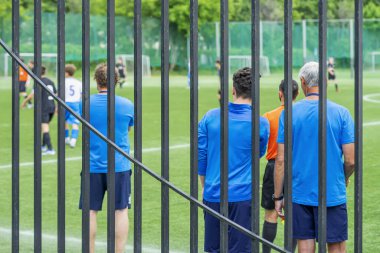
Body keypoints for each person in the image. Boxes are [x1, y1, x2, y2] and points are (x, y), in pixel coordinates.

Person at [274, 62, 355, 253]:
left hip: (299, 192)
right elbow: (351, 160)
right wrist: (343, 178)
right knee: (335, 246)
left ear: (302, 82)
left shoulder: (289, 114)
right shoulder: (342, 113)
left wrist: (278, 196)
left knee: (305, 245)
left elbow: (280, 160)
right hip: (331, 192)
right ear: (325, 81)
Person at [198, 67, 269, 253]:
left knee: (214, 249)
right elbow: (257, 153)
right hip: (243, 195)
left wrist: (205, 186)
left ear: (233, 90)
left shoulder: (210, 117)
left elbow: (201, 156)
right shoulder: (260, 123)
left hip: (213, 192)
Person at [79, 63, 134, 253]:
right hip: (119, 165)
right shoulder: (127, 104)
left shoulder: (85, 104)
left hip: (92, 165)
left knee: (90, 211)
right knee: (121, 211)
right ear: (116, 81)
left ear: (96, 80)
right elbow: (127, 128)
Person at [261, 79, 299, 253]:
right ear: (297, 95)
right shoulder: (300, 115)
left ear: (280, 93)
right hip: (296, 167)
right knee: (294, 215)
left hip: (273, 166)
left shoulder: (268, 117)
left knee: (271, 214)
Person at [22, 65, 57, 155]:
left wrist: (24, 102)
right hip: (51, 107)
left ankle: (50, 149)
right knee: (45, 126)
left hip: (44, 107)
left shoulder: (38, 82)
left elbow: (32, 95)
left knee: (44, 128)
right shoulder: (50, 81)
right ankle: (43, 146)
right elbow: (56, 95)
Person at [64, 64, 82, 148]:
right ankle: (73, 140)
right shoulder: (78, 82)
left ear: (67, 73)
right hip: (75, 103)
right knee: (75, 122)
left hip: (66, 103)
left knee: (64, 121)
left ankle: (66, 138)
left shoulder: (64, 82)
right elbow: (81, 94)